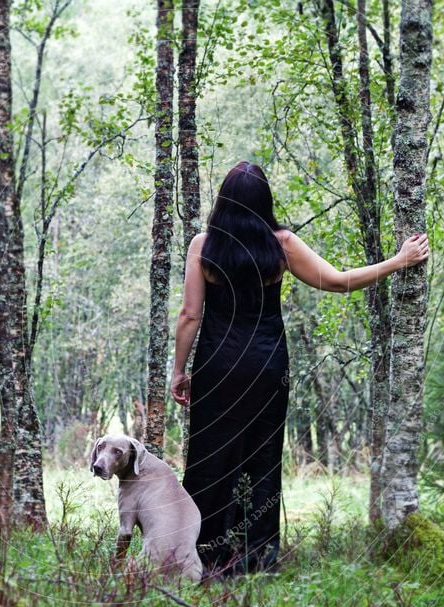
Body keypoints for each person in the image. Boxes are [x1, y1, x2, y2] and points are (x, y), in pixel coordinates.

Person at [170, 160, 429, 577]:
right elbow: (340, 281)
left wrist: (179, 371)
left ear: (223, 202)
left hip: (217, 365)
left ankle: (204, 558)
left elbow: (189, 315)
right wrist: (398, 261)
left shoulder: (203, 245)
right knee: (263, 457)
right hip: (267, 366)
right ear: (265, 202)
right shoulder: (282, 244)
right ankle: (258, 559)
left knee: (208, 458)